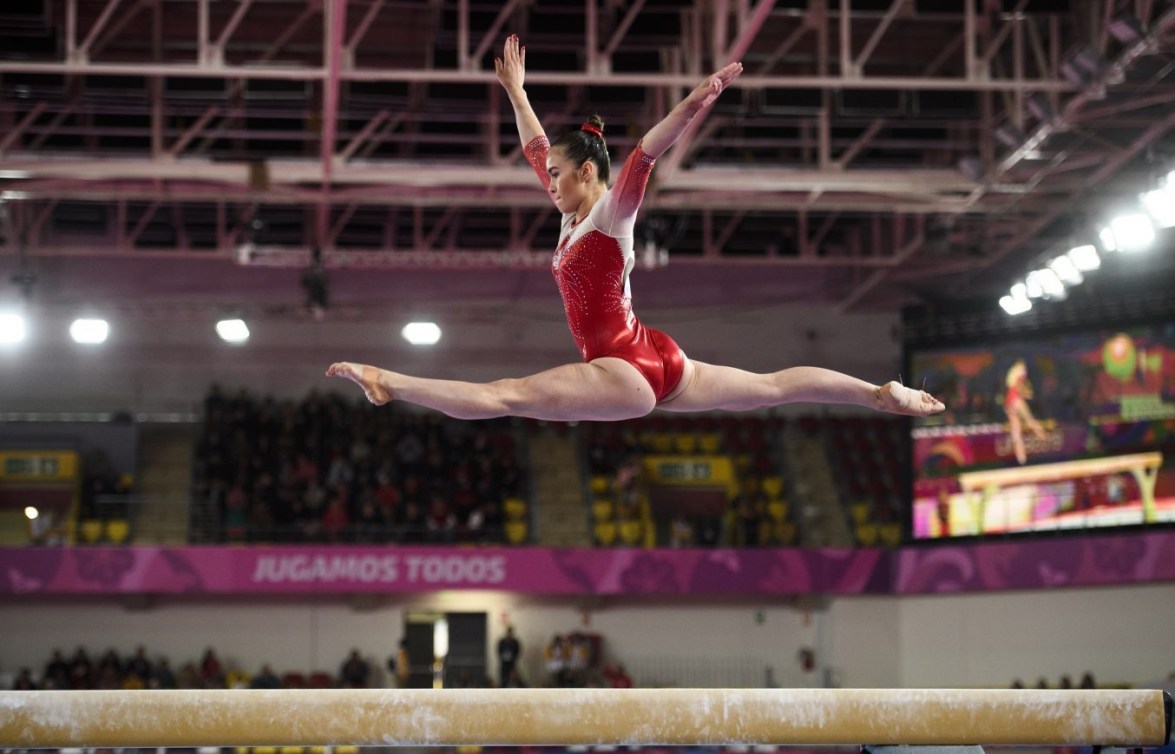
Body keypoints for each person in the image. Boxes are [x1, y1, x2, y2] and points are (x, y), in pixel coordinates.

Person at [327, 35, 944, 423]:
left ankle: (389, 382)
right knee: (770, 386)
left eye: (560, 175)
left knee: (507, 397)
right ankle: (880, 394)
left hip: (622, 369)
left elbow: (644, 156)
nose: (549, 180)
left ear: (590, 174)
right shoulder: (573, 216)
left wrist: (692, 103)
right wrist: (516, 91)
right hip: (655, 355)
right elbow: (537, 148)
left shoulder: (608, 214)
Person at [1004, 359, 1047, 465]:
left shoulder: (1012, 375)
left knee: (1016, 432)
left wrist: (1025, 392)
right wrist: (1026, 392)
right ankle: (1044, 437)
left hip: (1009, 401)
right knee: (1029, 420)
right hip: (1015, 399)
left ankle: (1021, 459)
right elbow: (1019, 387)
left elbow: (1015, 386)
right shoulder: (1020, 371)